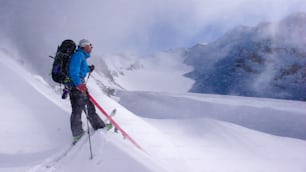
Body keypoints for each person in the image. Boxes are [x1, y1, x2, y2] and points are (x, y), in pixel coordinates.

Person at [68, 39, 105, 142]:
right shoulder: (79, 55)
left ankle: (77, 133)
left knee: (79, 108)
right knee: (86, 107)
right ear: (84, 46)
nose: (91, 47)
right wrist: (79, 85)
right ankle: (98, 126)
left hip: (75, 86)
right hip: (77, 87)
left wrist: (89, 68)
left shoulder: (81, 56)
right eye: (90, 46)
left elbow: (80, 69)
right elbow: (73, 71)